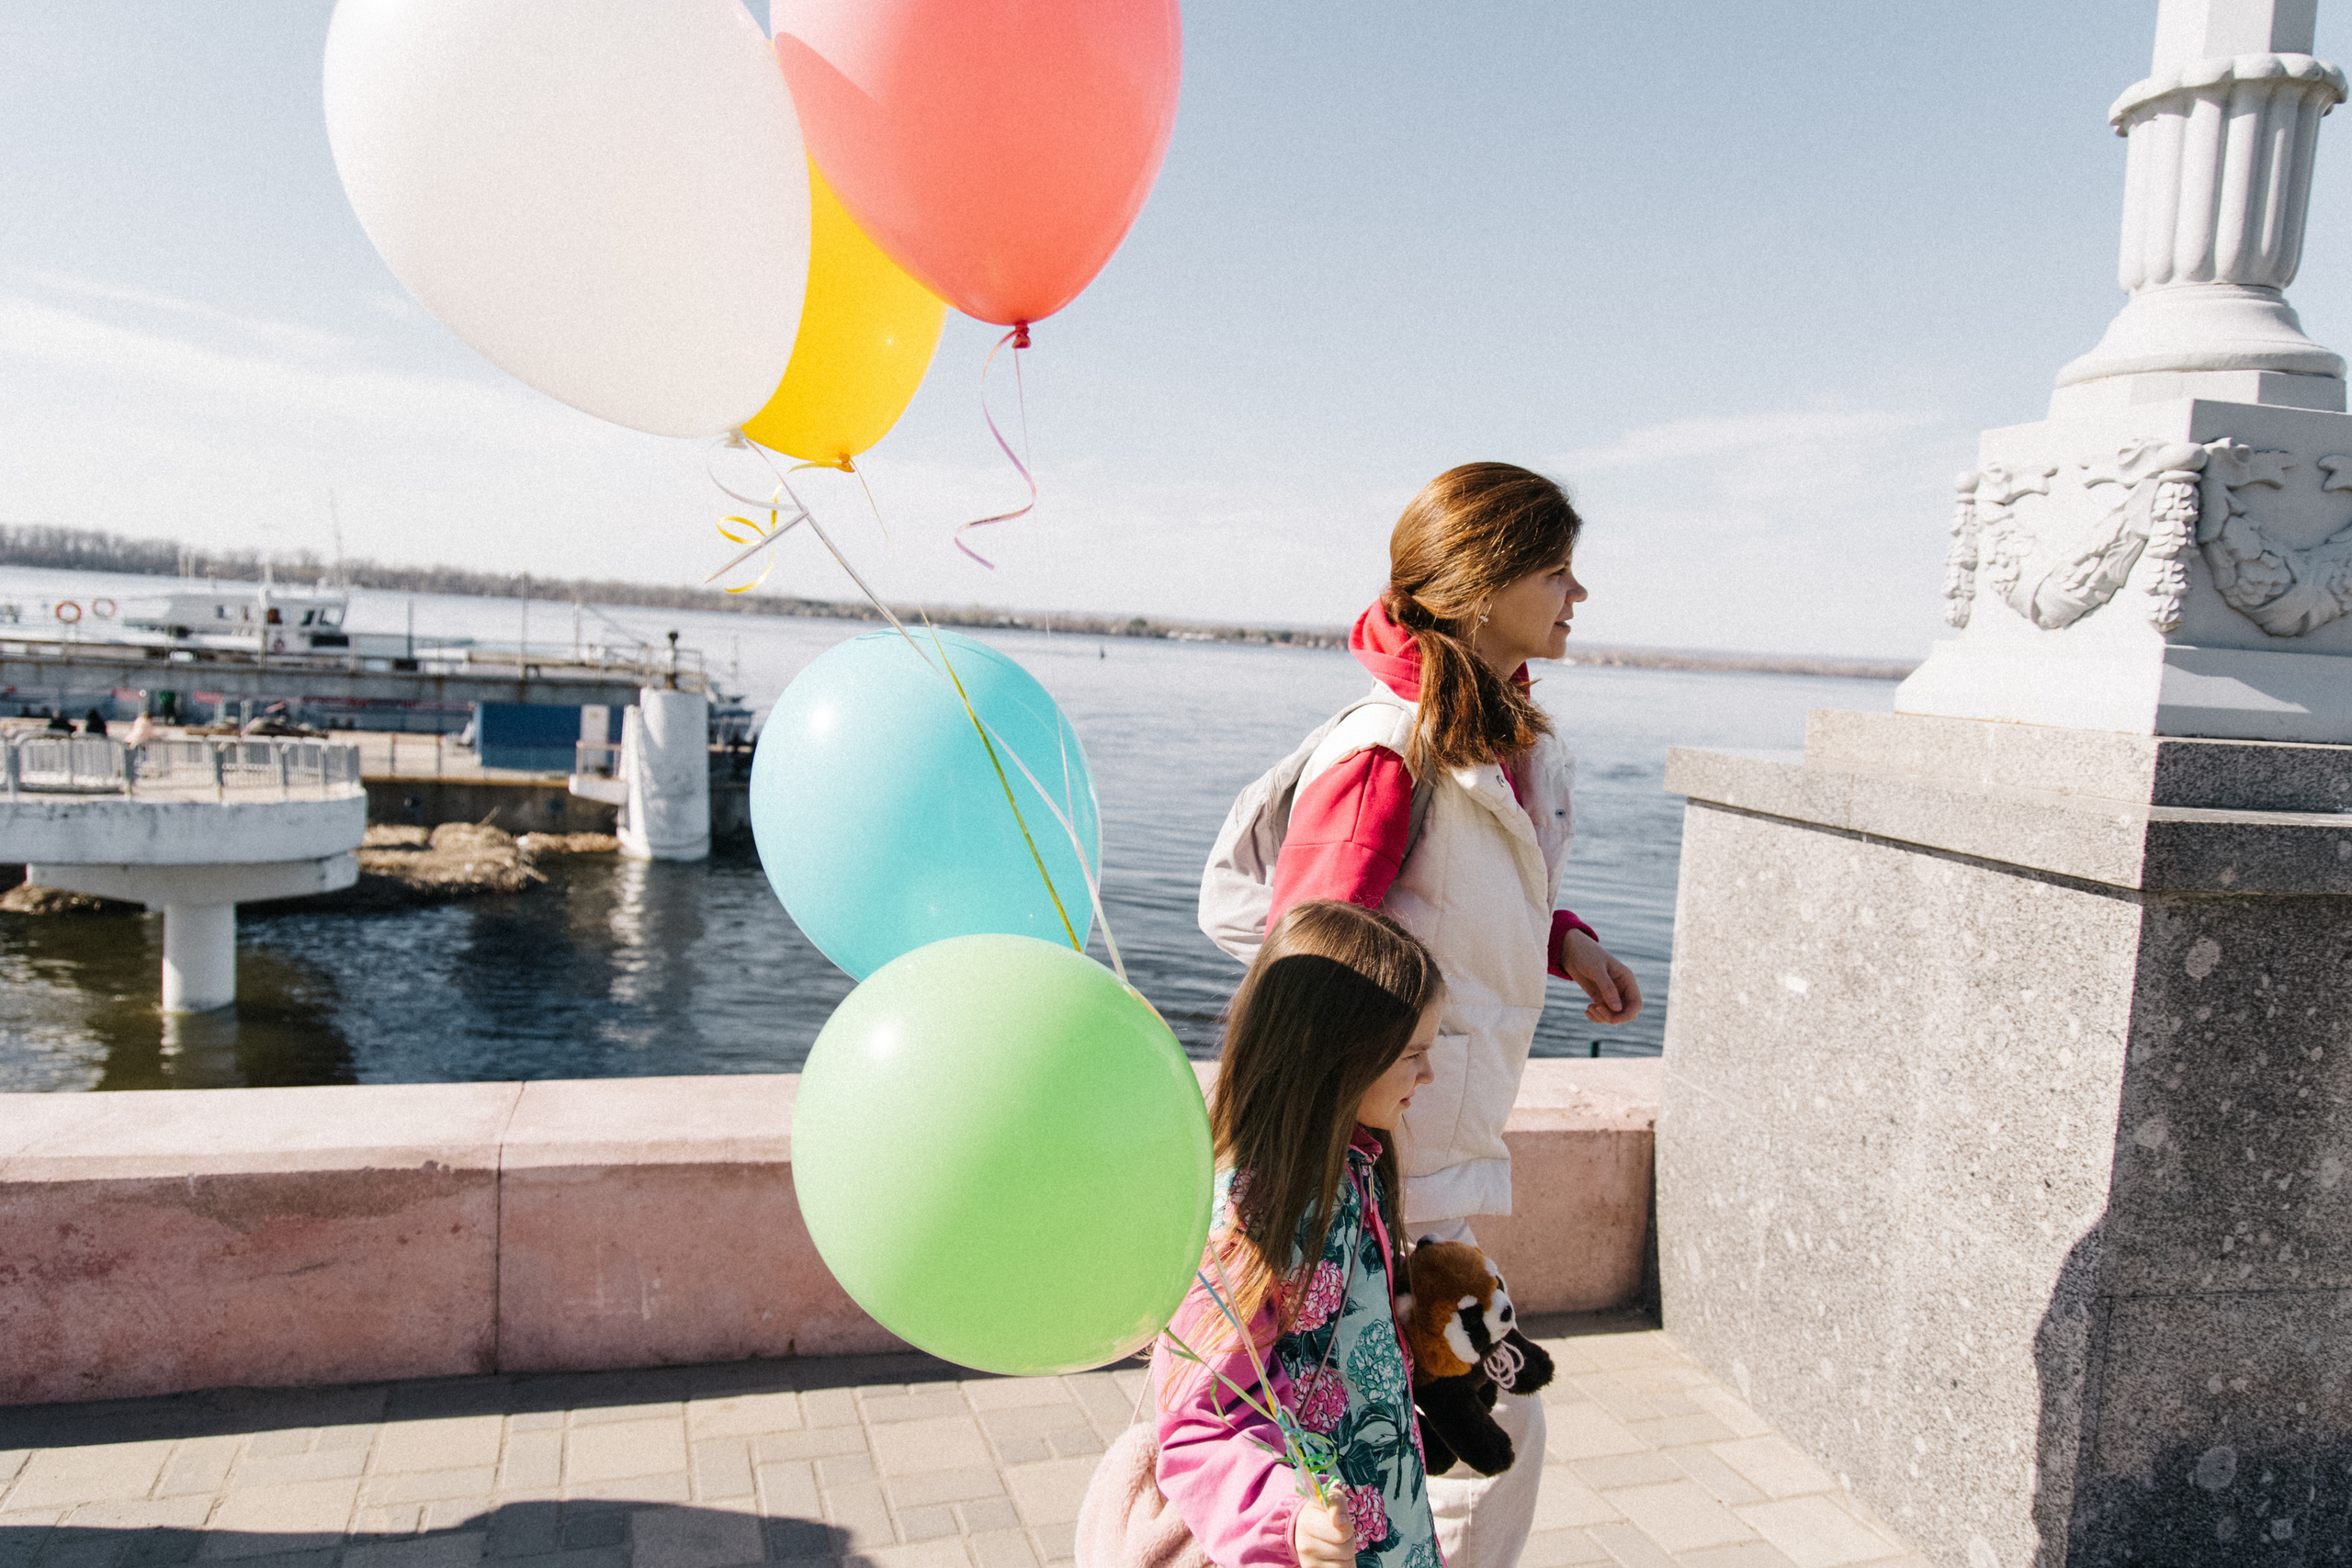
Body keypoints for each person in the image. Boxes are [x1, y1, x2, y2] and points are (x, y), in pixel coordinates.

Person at [1261, 462, 1644, 1568]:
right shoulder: (1389, 751)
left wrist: (1564, 942)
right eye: (1557, 571)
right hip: (1380, 1178)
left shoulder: (1494, 737)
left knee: (1478, 1429)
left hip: (1430, 1163)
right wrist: (1336, 1197)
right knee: (1472, 1441)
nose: (1578, 595)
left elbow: (1451, 896)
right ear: (1482, 588)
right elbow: (1308, 974)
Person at [1148, 899, 1442, 1568]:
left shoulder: (1354, 1166)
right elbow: (1201, 1422)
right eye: (1413, 1053)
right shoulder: (1243, 1222)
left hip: (1390, 1534)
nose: (1429, 1073)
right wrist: (1289, 1520)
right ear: (1339, 1056)